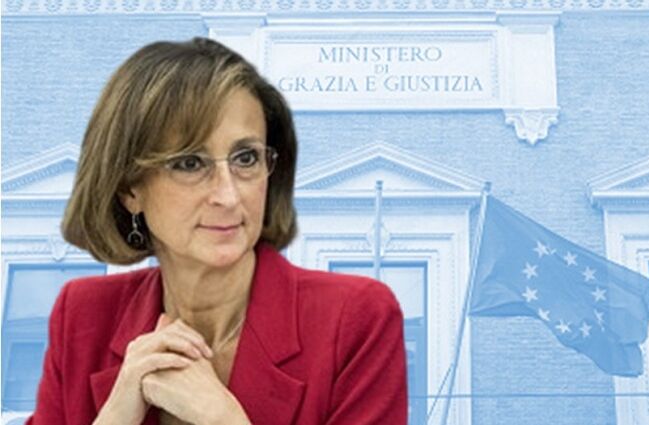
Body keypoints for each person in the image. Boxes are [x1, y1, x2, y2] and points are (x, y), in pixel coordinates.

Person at [27, 37, 408, 425]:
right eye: (190, 163)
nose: (229, 196)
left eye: (246, 158)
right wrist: (115, 416)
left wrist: (222, 418)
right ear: (129, 189)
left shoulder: (355, 318)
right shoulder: (83, 316)